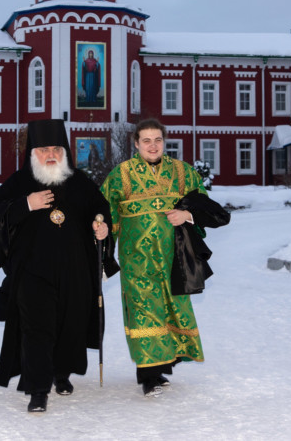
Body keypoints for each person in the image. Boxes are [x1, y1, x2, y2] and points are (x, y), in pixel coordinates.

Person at [0, 119, 114, 413]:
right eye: (44, 149)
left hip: (75, 270)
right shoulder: (19, 183)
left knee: (69, 324)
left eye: (56, 148)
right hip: (33, 271)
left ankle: (61, 374)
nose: (51, 154)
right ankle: (38, 389)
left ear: (64, 151)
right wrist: (25, 204)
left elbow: (100, 209)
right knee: (37, 328)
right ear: (33, 152)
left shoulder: (79, 181)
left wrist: (102, 228)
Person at [100, 118, 225, 397]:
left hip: (174, 259)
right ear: (136, 143)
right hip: (138, 262)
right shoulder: (121, 175)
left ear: (164, 142)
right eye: (146, 140)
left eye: (157, 140)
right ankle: (148, 376)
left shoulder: (183, 173)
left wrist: (187, 215)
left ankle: (163, 366)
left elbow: (210, 209)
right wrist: (102, 233)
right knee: (145, 314)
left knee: (173, 311)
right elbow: (106, 215)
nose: (152, 146)